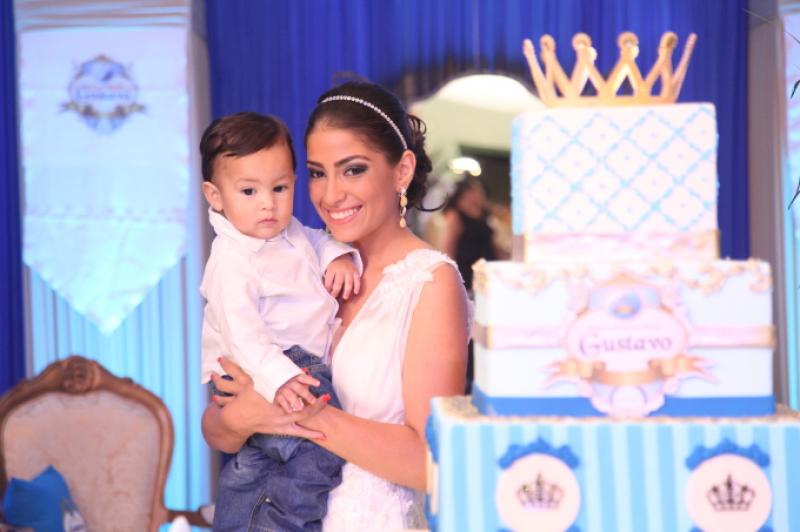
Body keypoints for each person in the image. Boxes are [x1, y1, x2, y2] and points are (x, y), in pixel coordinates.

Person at [201, 81, 470, 531]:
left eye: (353, 170)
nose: (329, 195)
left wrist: (300, 412)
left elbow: (432, 461)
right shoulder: (294, 259)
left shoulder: (430, 282)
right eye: (317, 173)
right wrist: (241, 418)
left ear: (402, 171)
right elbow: (218, 427)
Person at [198, 112, 362, 531]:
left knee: (260, 463)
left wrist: (338, 257)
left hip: (290, 365)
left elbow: (319, 240)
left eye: (280, 188)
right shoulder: (232, 260)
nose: (268, 203)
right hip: (268, 366)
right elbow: (242, 335)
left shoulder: (291, 232)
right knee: (317, 450)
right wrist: (280, 378)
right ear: (215, 196)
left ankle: (239, 521)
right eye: (248, 191)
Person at [441, 175, 499, 293]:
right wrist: (452, 276)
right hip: (466, 270)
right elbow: (448, 248)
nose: (480, 193)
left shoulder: (483, 213)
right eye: (475, 190)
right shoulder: (455, 214)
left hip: (487, 269)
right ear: (465, 193)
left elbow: (491, 242)